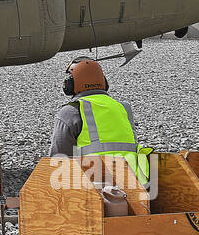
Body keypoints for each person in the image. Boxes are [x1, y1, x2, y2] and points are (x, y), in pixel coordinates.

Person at [50, 56, 149, 186]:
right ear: (104, 82)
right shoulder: (124, 108)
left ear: (70, 83)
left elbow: (59, 158)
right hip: (135, 185)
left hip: (96, 189)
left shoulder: (71, 111)